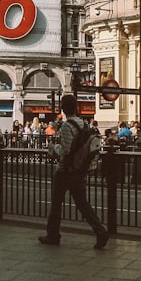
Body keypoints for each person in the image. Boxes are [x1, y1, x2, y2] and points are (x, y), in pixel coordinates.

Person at [39, 94, 108, 249]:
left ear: (63, 108)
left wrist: (52, 148)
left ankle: (53, 235)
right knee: (83, 204)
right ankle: (100, 231)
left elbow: (66, 150)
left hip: (65, 170)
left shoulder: (66, 126)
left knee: (56, 203)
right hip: (79, 170)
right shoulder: (84, 124)